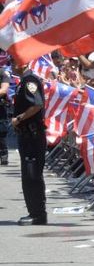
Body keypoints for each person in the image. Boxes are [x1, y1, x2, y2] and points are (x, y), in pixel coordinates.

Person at [12, 62, 46, 225]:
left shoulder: (30, 81)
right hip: (26, 134)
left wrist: (19, 118)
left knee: (32, 175)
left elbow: (37, 104)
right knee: (28, 176)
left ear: (22, 63)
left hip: (32, 135)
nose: (12, 65)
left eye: (14, 62)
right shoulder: (24, 81)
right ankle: (35, 212)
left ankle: (38, 214)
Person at [0, 64, 10, 165]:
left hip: (0, 107)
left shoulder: (2, 73)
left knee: (1, 134)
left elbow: (4, 90)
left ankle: (3, 154)